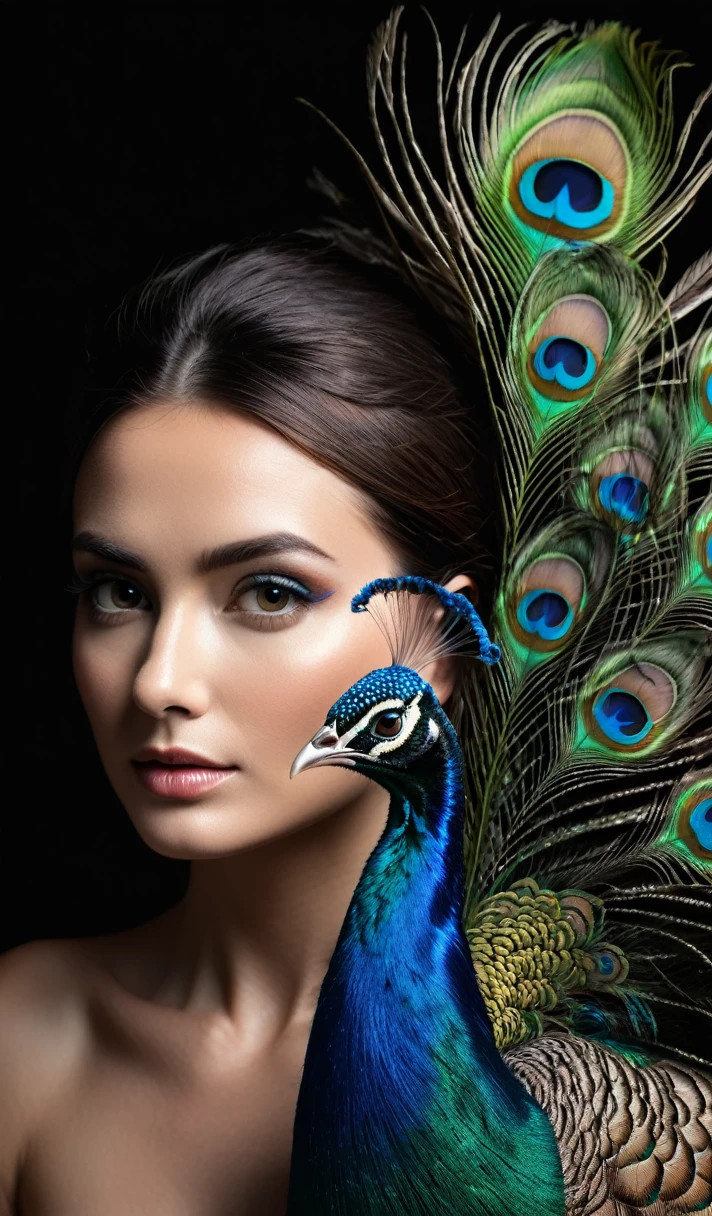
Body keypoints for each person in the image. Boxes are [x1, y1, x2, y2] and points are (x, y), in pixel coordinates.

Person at [0, 241, 496, 1215]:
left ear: (435, 647)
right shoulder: (24, 1036)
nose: (160, 679)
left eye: (268, 592)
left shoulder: (572, 1096)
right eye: (118, 591)